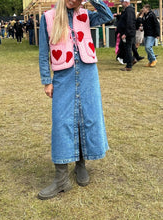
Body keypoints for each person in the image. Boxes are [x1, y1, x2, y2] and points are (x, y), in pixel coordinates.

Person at [38, 0, 113, 200]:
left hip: (88, 73)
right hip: (63, 75)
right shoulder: (47, 17)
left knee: (86, 118)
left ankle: (81, 165)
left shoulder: (86, 15)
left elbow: (108, 16)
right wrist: (47, 80)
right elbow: (43, 51)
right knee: (62, 122)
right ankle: (61, 177)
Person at [116, 0, 136, 71]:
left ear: (126, 2)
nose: (121, 3)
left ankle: (129, 65)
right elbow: (124, 20)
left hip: (128, 33)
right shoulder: (127, 10)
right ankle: (132, 59)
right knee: (124, 47)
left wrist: (126, 33)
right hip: (126, 32)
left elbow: (129, 22)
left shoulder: (129, 10)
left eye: (122, 2)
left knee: (127, 48)